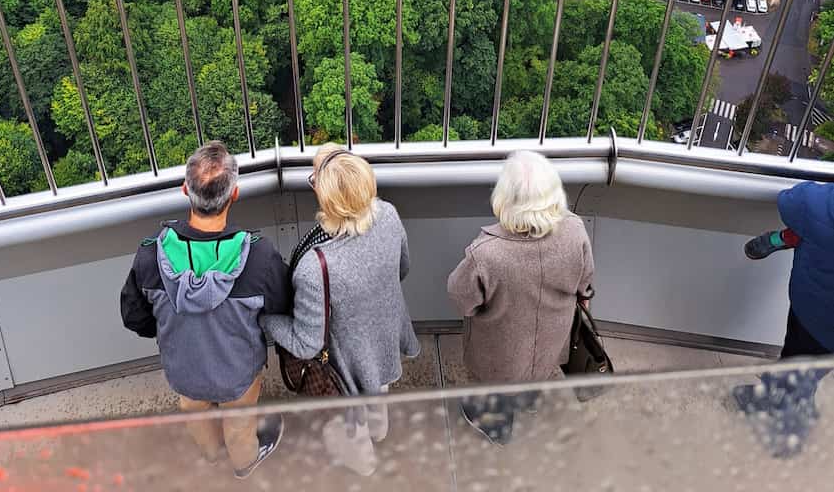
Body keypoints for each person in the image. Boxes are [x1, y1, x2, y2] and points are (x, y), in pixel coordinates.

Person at [120, 141, 291, 479]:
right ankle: (243, 470)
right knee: (239, 423)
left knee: (194, 410)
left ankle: (213, 458)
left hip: (183, 368)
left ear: (186, 190)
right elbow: (282, 303)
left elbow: (134, 317)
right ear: (235, 195)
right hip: (236, 370)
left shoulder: (151, 255)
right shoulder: (257, 257)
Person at [262, 144, 419, 475]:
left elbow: (306, 344)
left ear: (324, 198)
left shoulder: (313, 267)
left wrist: (266, 321)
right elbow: (403, 268)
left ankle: (363, 462)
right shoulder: (388, 214)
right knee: (379, 387)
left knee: (351, 417)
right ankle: (380, 430)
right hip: (386, 331)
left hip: (346, 354)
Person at [447, 150, 595, 444]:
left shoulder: (486, 253)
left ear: (505, 197)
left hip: (500, 347)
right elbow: (585, 282)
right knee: (537, 369)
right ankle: (528, 401)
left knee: (497, 386)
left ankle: (497, 428)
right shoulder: (575, 230)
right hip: (552, 337)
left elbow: (460, 297)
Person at [733, 179, 834, 456]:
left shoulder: (818, 204)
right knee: (809, 366)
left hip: (813, 313)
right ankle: (781, 394)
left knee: (798, 363)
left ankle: (790, 433)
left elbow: (789, 198)